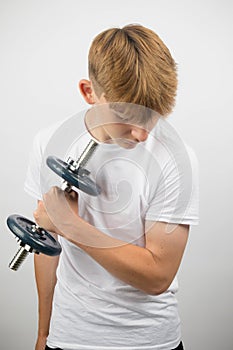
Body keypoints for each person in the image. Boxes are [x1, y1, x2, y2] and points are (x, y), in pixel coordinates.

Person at [25, 24, 199, 350]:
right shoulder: (48, 142)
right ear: (89, 92)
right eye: (126, 115)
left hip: (151, 342)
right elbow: (47, 249)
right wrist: (44, 333)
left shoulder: (176, 158)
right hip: (69, 336)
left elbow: (157, 275)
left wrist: (70, 225)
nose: (142, 134)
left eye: (152, 116)